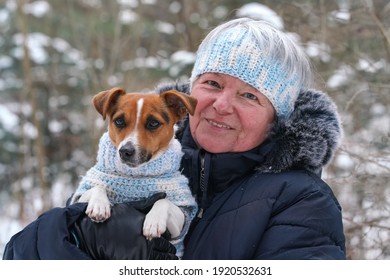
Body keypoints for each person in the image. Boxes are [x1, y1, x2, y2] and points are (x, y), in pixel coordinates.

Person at [3, 17, 346, 260]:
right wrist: (77, 232)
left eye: (250, 96)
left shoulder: (303, 203)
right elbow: (18, 258)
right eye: (212, 83)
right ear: (192, 91)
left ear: (278, 117)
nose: (221, 105)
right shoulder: (129, 165)